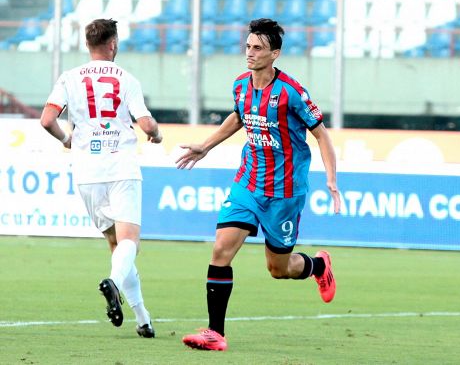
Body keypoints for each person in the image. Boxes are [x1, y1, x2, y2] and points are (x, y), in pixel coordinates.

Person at [176, 18, 340, 351]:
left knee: (278, 269)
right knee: (221, 249)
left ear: (274, 54)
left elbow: (321, 134)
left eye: (258, 48)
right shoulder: (240, 85)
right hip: (248, 182)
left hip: (284, 192)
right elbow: (239, 116)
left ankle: (318, 266)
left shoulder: (292, 93)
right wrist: (204, 147)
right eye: (248, 46)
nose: (249, 53)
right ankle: (215, 333)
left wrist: (331, 179)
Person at [40, 18, 162, 338]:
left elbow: (47, 119)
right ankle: (114, 283)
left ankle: (143, 318)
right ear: (112, 44)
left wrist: (67, 140)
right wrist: (157, 135)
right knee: (129, 242)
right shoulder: (126, 78)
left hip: (86, 171)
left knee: (116, 245)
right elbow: (147, 125)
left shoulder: (69, 77)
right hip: (120, 166)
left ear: (88, 44)